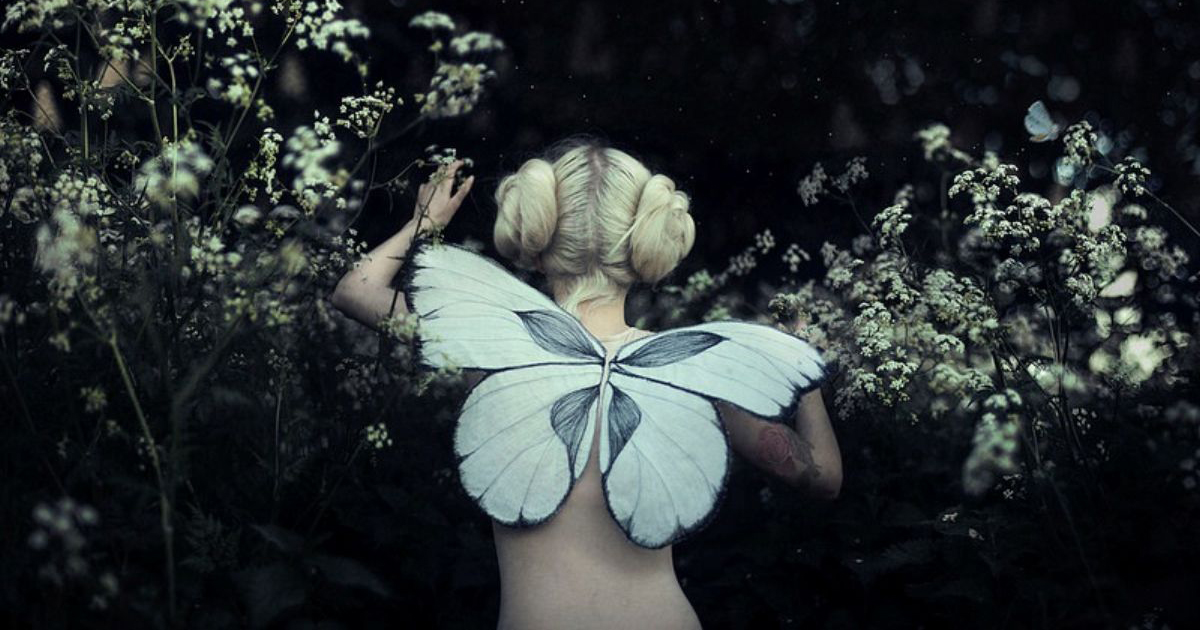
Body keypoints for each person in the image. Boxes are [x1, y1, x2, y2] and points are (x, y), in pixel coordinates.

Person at [329, 137, 843, 629]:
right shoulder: (694, 376)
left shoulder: (492, 351)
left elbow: (355, 291)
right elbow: (822, 477)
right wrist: (804, 369)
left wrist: (424, 222)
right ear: (644, 250)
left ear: (534, 241)